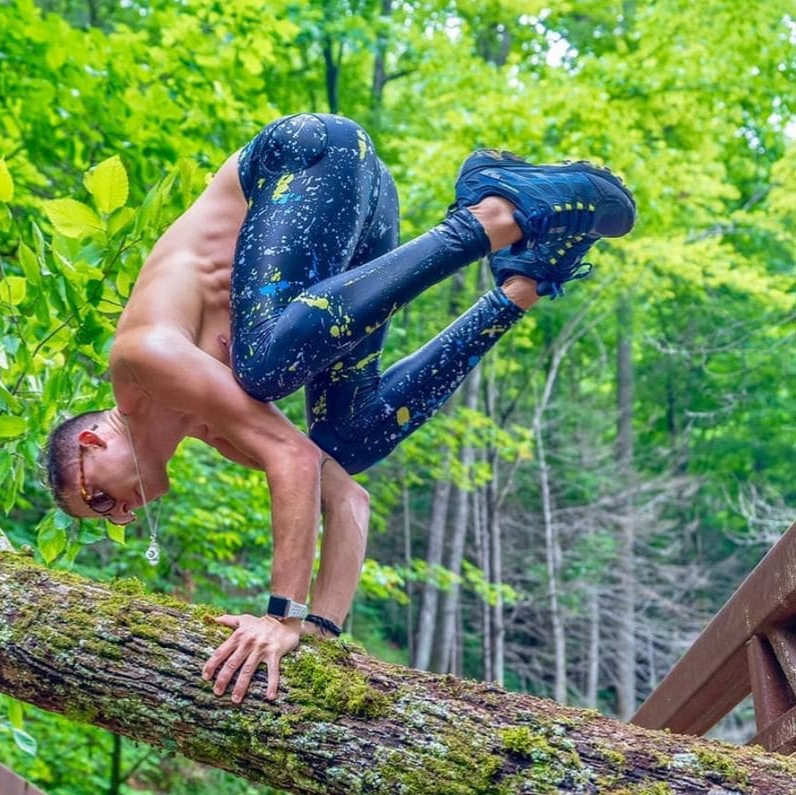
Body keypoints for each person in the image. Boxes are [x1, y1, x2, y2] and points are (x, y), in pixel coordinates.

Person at [44, 113, 635, 705]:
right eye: (109, 519)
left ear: (96, 440)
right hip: (358, 205)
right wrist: (317, 635)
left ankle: (494, 214)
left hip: (305, 156)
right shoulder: (218, 429)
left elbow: (291, 460)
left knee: (265, 370)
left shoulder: (143, 360)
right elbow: (347, 494)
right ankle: (524, 281)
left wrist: (281, 617)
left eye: (97, 497)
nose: (119, 513)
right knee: (347, 441)